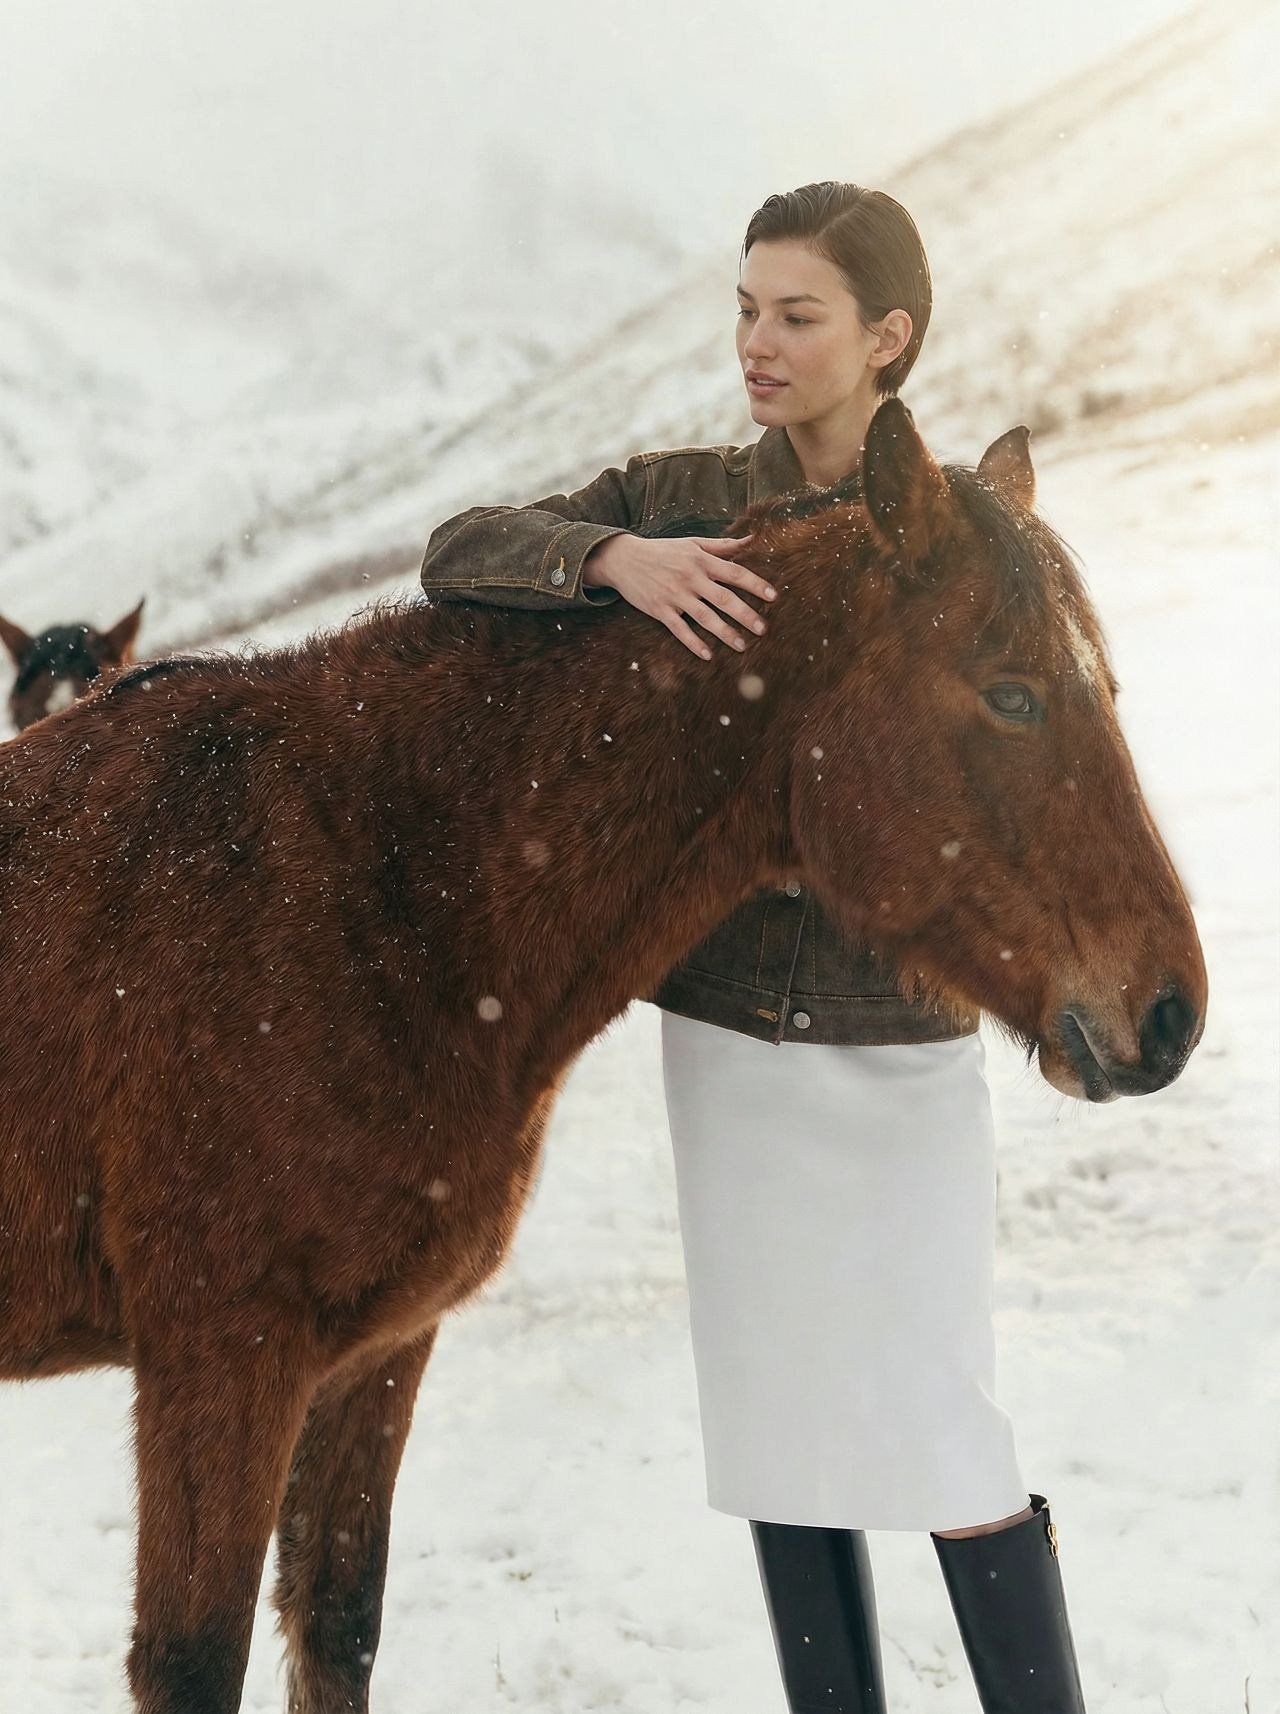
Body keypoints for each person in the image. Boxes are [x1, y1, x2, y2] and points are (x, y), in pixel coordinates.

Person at [419, 180, 1088, 1712]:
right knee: (781, 1428)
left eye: (797, 315)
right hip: (727, 1038)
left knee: (948, 1425)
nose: (757, 344)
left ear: (887, 337)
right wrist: (613, 560)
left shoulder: (961, 532)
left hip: (900, 1043)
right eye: (744, 309)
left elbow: (1031, 771)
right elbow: (458, 549)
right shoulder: (687, 498)